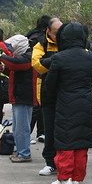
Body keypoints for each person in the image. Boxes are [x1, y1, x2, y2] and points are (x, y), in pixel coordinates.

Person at [45, 22, 92, 184]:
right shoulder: (90, 57)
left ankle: (64, 179)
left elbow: (50, 85)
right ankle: (76, 178)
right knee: (81, 142)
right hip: (86, 103)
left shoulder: (59, 58)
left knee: (65, 141)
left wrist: (49, 100)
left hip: (66, 103)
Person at [32, 17, 63, 175]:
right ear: (48, 31)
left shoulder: (69, 44)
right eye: (56, 32)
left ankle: (63, 162)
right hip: (47, 94)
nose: (59, 36)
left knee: (64, 130)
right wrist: (58, 60)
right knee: (49, 129)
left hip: (66, 94)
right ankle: (50, 162)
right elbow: (37, 65)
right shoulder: (41, 45)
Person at [0, 34, 34, 163]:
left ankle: (24, 153)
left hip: (24, 97)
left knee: (22, 127)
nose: (10, 49)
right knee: (17, 127)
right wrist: (4, 69)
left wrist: (2, 58)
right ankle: (20, 150)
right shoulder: (21, 57)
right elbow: (14, 69)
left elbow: (17, 65)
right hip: (19, 96)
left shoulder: (27, 57)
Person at [26, 15, 51, 143]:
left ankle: (40, 132)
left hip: (33, 72)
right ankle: (37, 132)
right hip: (39, 73)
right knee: (38, 104)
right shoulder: (41, 39)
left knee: (39, 104)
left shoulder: (30, 35)